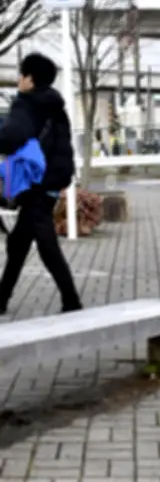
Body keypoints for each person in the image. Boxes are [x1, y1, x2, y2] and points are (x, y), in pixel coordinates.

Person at [0, 52, 81, 315]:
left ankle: (72, 301)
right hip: (51, 181)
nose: (18, 80)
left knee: (46, 245)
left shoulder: (27, 104)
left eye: (21, 75)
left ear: (30, 79)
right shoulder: (56, 106)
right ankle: (2, 299)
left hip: (35, 183)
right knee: (19, 244)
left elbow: (11, 138)